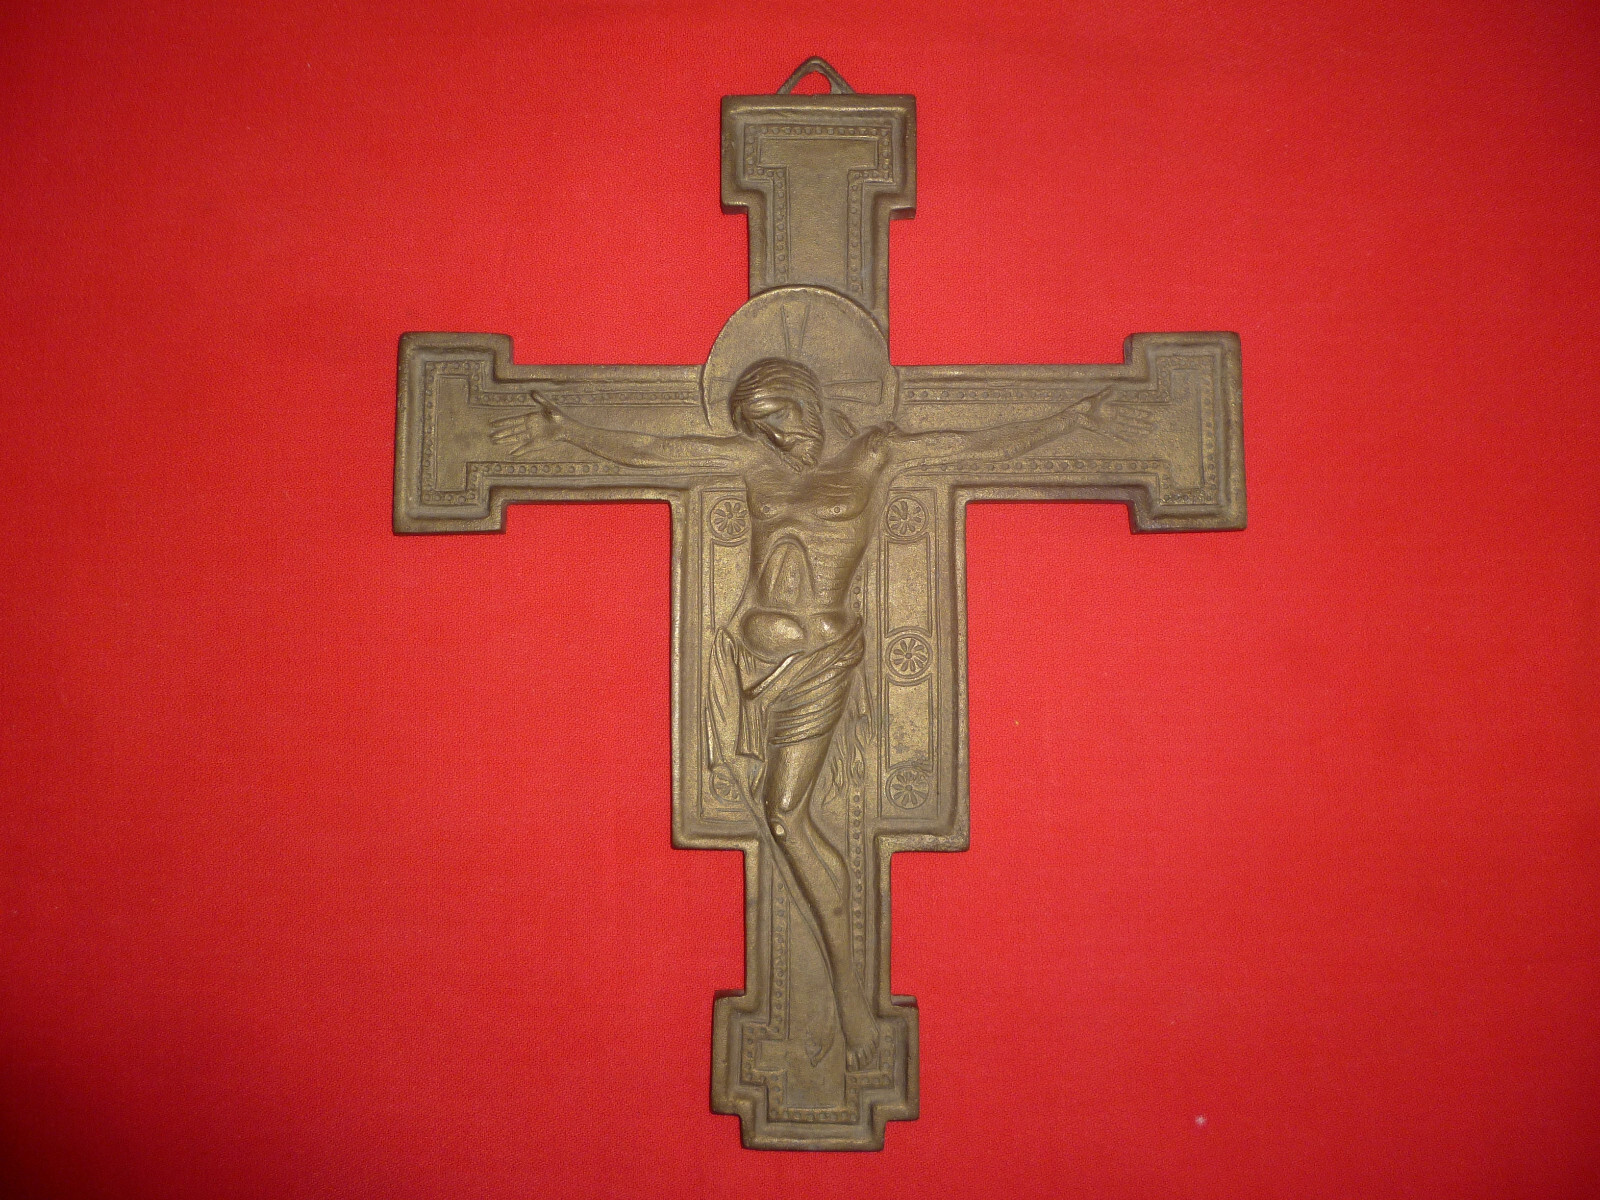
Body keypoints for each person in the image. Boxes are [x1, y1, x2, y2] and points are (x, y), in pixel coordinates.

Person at [491, 357, 1139, 1070]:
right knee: (783, 817)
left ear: (807, 398)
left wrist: (1068, 419)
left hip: (824, 661)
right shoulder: (751, 462)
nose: (775, 435)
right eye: (759, 426)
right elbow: (655, 451)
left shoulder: (873, 453)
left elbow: (973, 445)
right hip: (754, 667)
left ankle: (850, 998)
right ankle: (845, 988)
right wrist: (567, 429)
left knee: (784, 812)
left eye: (780, 416)